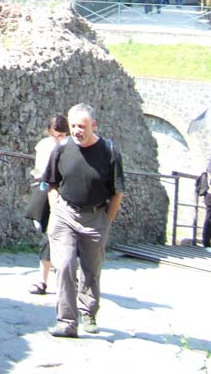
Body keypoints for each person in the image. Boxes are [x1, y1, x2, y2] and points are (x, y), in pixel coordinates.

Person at [42, 104, 125, 338]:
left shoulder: (108, 151)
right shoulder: (62, 149)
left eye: (82, 126)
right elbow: (51, 182)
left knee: (91, 269)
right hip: (65, 214)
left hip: (96, 216)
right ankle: (66, 321)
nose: (77, 130)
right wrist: (55, 206)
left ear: (94, 126)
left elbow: (118, 192)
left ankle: (88, 311)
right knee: (65, 265)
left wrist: (106, 219)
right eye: (74, 126)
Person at [27, 113, 69, 295]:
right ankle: (42, 280)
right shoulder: (44, 146)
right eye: (55, 135)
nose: (58, 139)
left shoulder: (72, 147)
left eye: (61, 135)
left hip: (67, 194)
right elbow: (41, 172)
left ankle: (69, 279)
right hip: (48, 194)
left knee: (70, 238)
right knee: (48, 236)